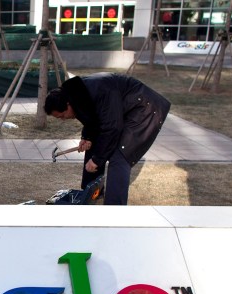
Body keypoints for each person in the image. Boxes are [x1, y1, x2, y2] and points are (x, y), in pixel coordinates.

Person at [44, 74, 170, 205]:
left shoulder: (98, 91)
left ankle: (113, 208)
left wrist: (97, 159)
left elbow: (112, 128)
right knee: (94, 145)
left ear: (68, 104)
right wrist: (87, 138)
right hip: (125, 110)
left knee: (120, 155)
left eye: (62, 116)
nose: (63, 119)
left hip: (146, 108)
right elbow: (92, 118)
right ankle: (91, 194)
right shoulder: (77, 95)